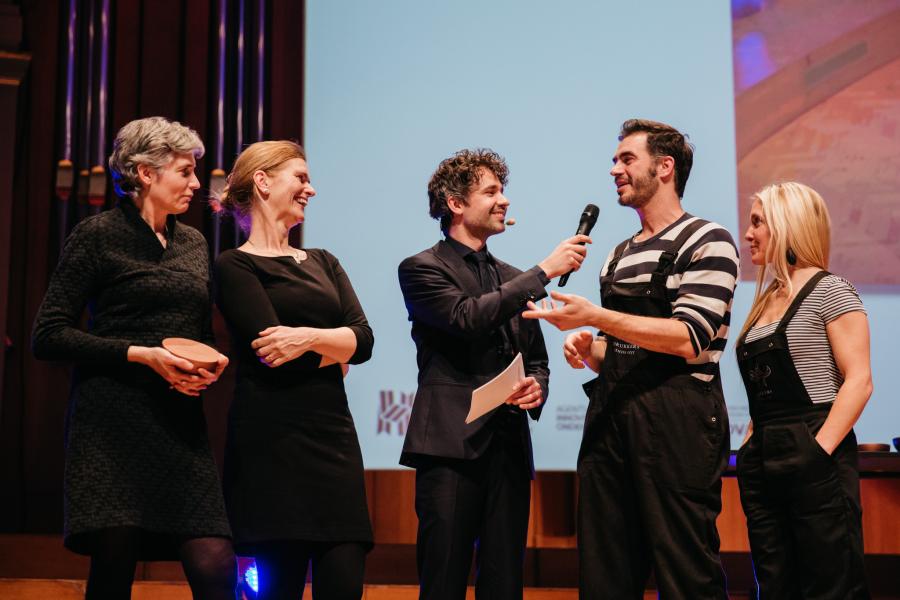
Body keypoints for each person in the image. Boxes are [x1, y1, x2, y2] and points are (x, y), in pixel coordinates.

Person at [523, 119, 739, 599]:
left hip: (679, 422)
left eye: (626, 159)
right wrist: (591, 349)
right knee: (605, 572)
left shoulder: (708, 239)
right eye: (614, 161)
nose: (614, 170)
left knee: (685, 570)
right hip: (612, 419)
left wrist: (596, 316)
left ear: (665, 167)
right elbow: (622, 350)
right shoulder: (617, 255)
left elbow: (689, 338)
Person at [31, 116, 236, 600]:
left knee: (216, 563)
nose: (196, 184)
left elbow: (199, 332)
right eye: (184, 171)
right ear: (145, 173)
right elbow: (48, 335)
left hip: (179, 424)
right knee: (114, 565)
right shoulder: (97, 234)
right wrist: (140, 355)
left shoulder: (193, 242)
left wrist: (209, 365)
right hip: (111, 425)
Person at [398, 148, 591, 600]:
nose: (504, 200)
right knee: (443, 580)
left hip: (507, 449)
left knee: (505, 583)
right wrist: (544, 271)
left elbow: (537, 359)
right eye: (491, 192)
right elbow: (466, 317)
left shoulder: (512, 277)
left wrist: (537, 386)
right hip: (450, 448)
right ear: (455, 204)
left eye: (503, 190)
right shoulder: (422, 268)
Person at [214, 141, 373, 600]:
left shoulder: (324, 261)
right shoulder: (235, 265)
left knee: (344, 579)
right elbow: (272, 354)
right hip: (271, 447)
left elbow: (364, 341)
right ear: (263, 182)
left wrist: (305, 338)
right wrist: (334, 349)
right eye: (301, 178)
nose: (311, 189)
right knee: (277, 587)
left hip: (334, 444)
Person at [735, 182, 872, 599]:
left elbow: (859, 380)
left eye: (757, 222)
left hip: (814, 450)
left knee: (830, 585)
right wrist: (751, 446)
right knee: (775, 584)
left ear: (786, 224)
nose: (748, 234)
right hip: (764, 457)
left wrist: (817, 452)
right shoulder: (765, 301)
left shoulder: (831, 291)